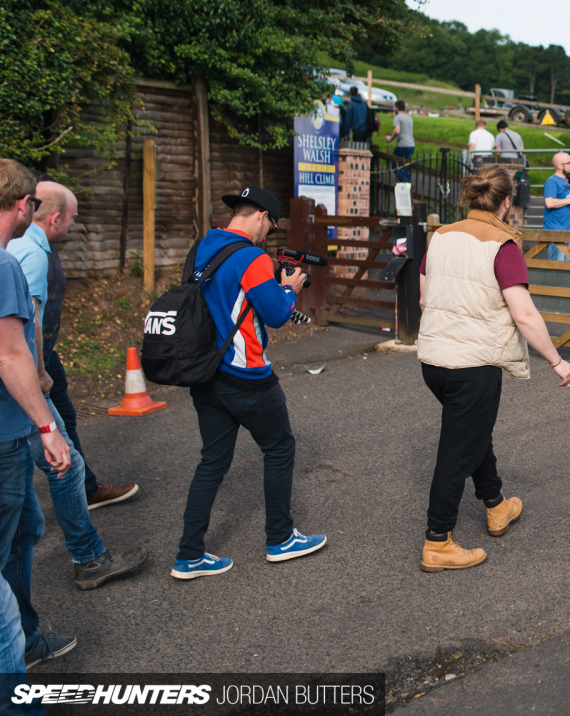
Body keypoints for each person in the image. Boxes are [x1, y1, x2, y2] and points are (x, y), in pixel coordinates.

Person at [416, 166, 570, 572]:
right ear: (507, 203)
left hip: (433, 359)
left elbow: (424, 297)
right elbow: (524, 314)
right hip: (474, 364)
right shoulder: (502, 245)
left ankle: (497, 504)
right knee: (456, 451)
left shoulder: (440, 237)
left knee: (471, 432)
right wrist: (556, 359)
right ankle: (438, 541)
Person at [172, 186, 326, 580]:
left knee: (212, 462)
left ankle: (189, 555)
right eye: (269, 226)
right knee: (279, 448)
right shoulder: (251, 257)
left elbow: (227, 298)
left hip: (205, 372)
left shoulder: (204, 246)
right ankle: (280, 539)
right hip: (248, 375)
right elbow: (275, 314)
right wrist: (289, 288)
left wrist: (273, 283)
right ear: (260, 216)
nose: (267, 234)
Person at [9, 180, 149, 595]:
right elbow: (26, 321)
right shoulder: (29, 254)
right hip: (24, 373)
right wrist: (36, 374)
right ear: (53, 217)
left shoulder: (24, 248)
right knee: (61, 460)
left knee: (54, 442)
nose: (74, 224)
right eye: (71, 218)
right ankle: (88, 557)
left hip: (37, 361)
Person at [0, 159, 76, 674]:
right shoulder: (6, 264)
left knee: (27, 524)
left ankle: (25, 631)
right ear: (25, 206)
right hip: (6, 436)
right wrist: (47, 426)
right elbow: (10, 353)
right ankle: (18, 646)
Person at [542, 153, 570, 262]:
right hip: (557, 232)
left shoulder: (564, 181)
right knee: (557, 270)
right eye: (569, 162)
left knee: (564, 271)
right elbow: (549, 202)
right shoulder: (552, 181)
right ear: (560, 166)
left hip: (567, 231)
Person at [494, 121, 528, 227]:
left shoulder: (500, 136)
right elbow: (521, 151)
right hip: (517, 165)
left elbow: (498, 152)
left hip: (506, 164)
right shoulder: (517, 135)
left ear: (499, 128)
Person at [388, 100, 415, 182]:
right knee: (406, 166)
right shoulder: (409, 118)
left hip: (402, 145)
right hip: (411, 145)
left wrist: (390, 138)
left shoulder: (397, 117)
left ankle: (404, 182)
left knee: (394, 165)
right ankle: (407, 185)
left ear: (396, 108)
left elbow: (397, 131)